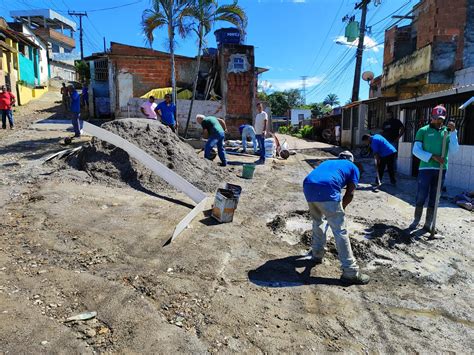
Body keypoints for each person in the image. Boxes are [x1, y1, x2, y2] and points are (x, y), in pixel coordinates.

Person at [303, 151, 369, 285]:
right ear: (351, 160)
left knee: (317, 222)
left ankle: (317, 254)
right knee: (340, 231)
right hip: (328, 188)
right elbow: (350, 194)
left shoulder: (328, 162)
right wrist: (342, 207)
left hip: (309, 186)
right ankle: (350, 272)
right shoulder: (353, 167)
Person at [411, 105, 459, 231]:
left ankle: (428, 223)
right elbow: (416, 150)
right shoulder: (423, 130)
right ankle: (416, 219)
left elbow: (454, 150)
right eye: (437, 118)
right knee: (421, 195)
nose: (439, 121)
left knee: (435, 196)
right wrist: (433, 156)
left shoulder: (447, 132)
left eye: (441, 119)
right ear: (431, 117)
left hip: (441, 169)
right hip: (425, 168)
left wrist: (454, 133)